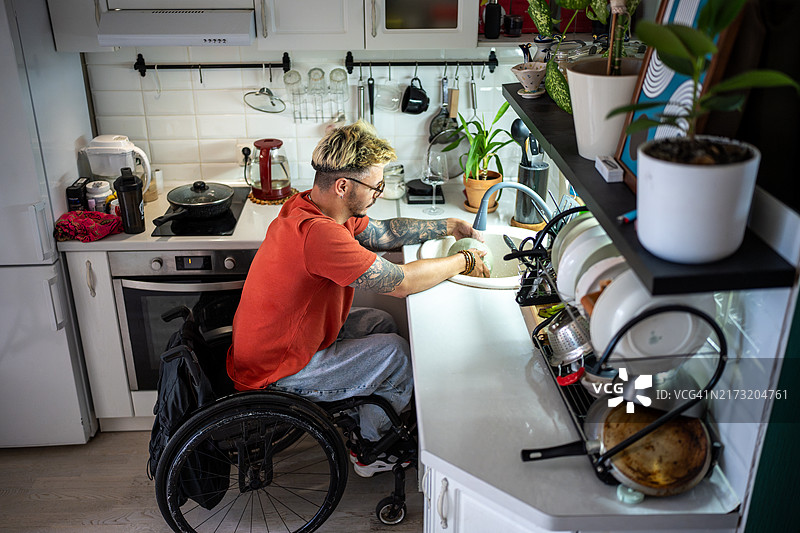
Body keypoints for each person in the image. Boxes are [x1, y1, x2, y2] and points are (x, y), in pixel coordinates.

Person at [228, 120, 488, 476]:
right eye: (375, 186)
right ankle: (370, 450)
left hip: (280, 343)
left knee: (380, 322)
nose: (379, 193)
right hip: (278, 369)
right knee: (395, 354)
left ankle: (361, 414)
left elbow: (384, 233)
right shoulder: (319, 235)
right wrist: (465, 260)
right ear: (343, 186)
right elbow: (401, 282)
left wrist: (449, 225)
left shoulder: (311, 205)